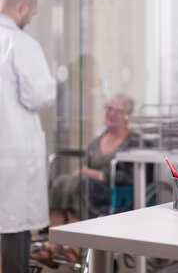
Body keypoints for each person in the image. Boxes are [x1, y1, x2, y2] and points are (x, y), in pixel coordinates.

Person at [31, 93, 141, 267]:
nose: (110, 113)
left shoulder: (134, 141)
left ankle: (74, 251)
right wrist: (87, 173)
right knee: (61, 182)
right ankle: (54, 247)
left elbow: (132, 175)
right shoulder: (99, 139)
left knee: (79, 185)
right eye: (108, 108)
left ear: (127, 115)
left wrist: (100, 175)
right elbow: (87, 165)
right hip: (88, 186)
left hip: (112, 192)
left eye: (117, 110)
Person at [0, 0, 57, 273]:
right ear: (23, 8)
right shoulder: (20, 43)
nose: (31, 19)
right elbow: (40, 95)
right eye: (32, 13)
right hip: (12, 156)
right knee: (13, 233)